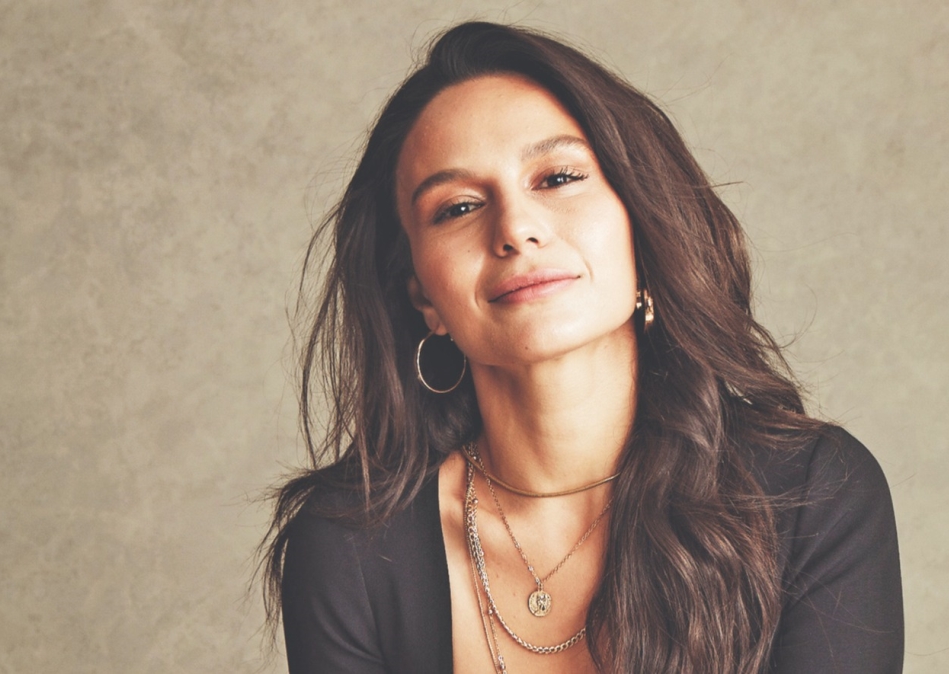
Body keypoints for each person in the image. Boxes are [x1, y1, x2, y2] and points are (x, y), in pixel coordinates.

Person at [262, 21, 903, 674]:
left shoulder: (813, 494)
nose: (516, 229)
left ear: (642, 226)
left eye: (558, 177)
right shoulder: (350, 549)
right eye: (458, 208)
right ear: (424, 297)